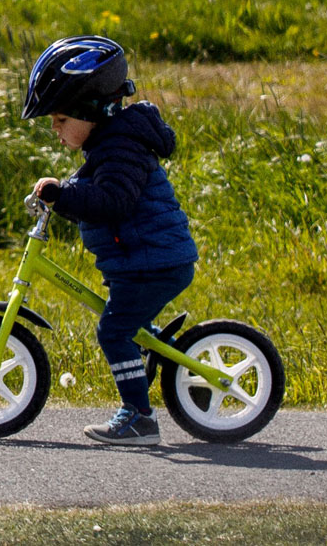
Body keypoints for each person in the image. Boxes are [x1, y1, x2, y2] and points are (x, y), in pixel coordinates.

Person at [24, 34, 199, 446]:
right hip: (141, 260)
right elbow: (92, 189)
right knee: (133, 330)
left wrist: (63, 195)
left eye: (61, 120)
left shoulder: (121, 146)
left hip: (154, 262)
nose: (56, 130)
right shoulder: (109, 144)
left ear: (92, 109)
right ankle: (187, 373)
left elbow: (113, 201)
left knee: (114, 332)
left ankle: (139, 418)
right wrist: (63, 190)